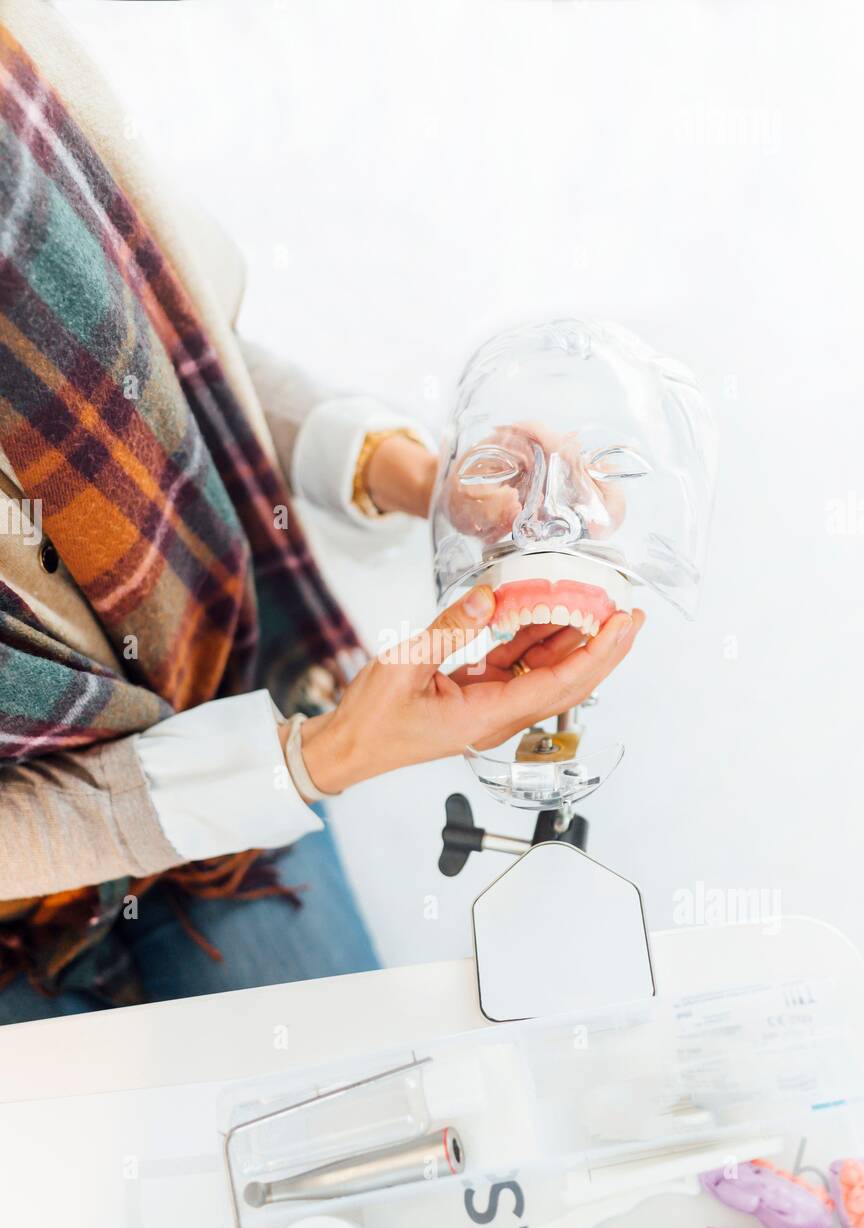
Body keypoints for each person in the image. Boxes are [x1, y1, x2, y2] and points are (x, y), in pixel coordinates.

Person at [0, 0, 643, 1023]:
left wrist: (422, 477)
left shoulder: (14, 78)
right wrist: (320, 755)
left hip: (220, 728)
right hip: (107, 832)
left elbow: (164, 365)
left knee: (357, 1120)